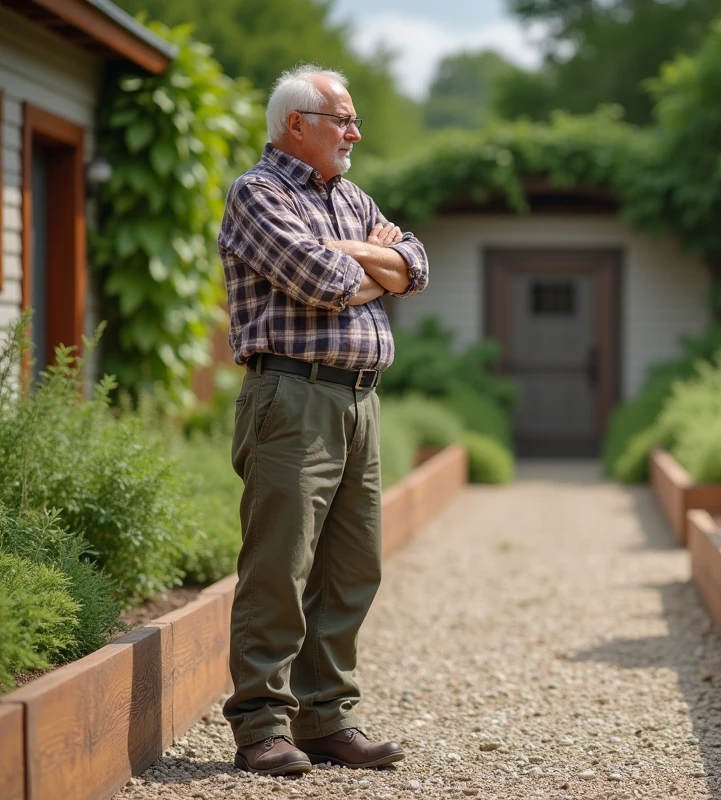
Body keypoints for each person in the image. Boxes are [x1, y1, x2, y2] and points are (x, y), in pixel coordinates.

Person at [217, 64, 428, 776]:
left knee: (350, 566)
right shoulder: (257, 193)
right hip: (292, 396)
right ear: (296, 124)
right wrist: (378, 265)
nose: (355, 133)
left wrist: (366, 257)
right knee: (279, 564)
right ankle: (261, 726)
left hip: (360, 399)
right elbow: (322, 280)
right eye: (343, 119)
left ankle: (326, 718)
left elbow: (417, 264)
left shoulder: (350, 198)